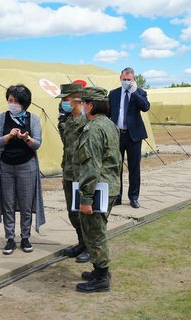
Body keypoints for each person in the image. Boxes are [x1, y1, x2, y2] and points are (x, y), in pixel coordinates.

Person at [76, 87, 121, 293]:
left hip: (98, 189)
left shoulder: (93, 129)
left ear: (91, 105)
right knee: (96, 229)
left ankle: (102, 276)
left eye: (84, 103)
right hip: (110, 184)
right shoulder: (109, 124)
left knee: (95, 232)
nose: (82, 107)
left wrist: (85, 199)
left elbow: (91, 166)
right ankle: (98, 269)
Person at [0, 84, 45, 255]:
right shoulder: (2, 117)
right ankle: (9, 238)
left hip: (27, 165)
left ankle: (25, 237)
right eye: (10, 100)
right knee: (7, 203)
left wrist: (26, 138)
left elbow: (37, 144)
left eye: (15, 101)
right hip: (6, 165)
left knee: (25, 203)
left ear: (24, 103)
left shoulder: (33, 118)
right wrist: (9, 136)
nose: (12, 104)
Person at [56, 83, 90, 263]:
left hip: (82, 173)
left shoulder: (87, 122)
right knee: (72, 211)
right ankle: (81, 243)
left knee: (85, 213)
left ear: (77, 99)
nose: (63, 103)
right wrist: (61, 121)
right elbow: (65, 143)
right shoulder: (68, 120)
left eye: (65, 99)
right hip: (69, 171)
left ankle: (90, 247)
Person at [108, 67, 150, 209]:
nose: (126, 82)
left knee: (134, 168)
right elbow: (108, 113)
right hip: (117, 135)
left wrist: (135, 93)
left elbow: (145, 107)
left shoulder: (140, 92)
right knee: (116, 168)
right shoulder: (113, 94)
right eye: (124, 79)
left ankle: (133, 197)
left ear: (133, 80)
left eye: (129, 79)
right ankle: (117, 197)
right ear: (120, 79)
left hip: (134, 136)